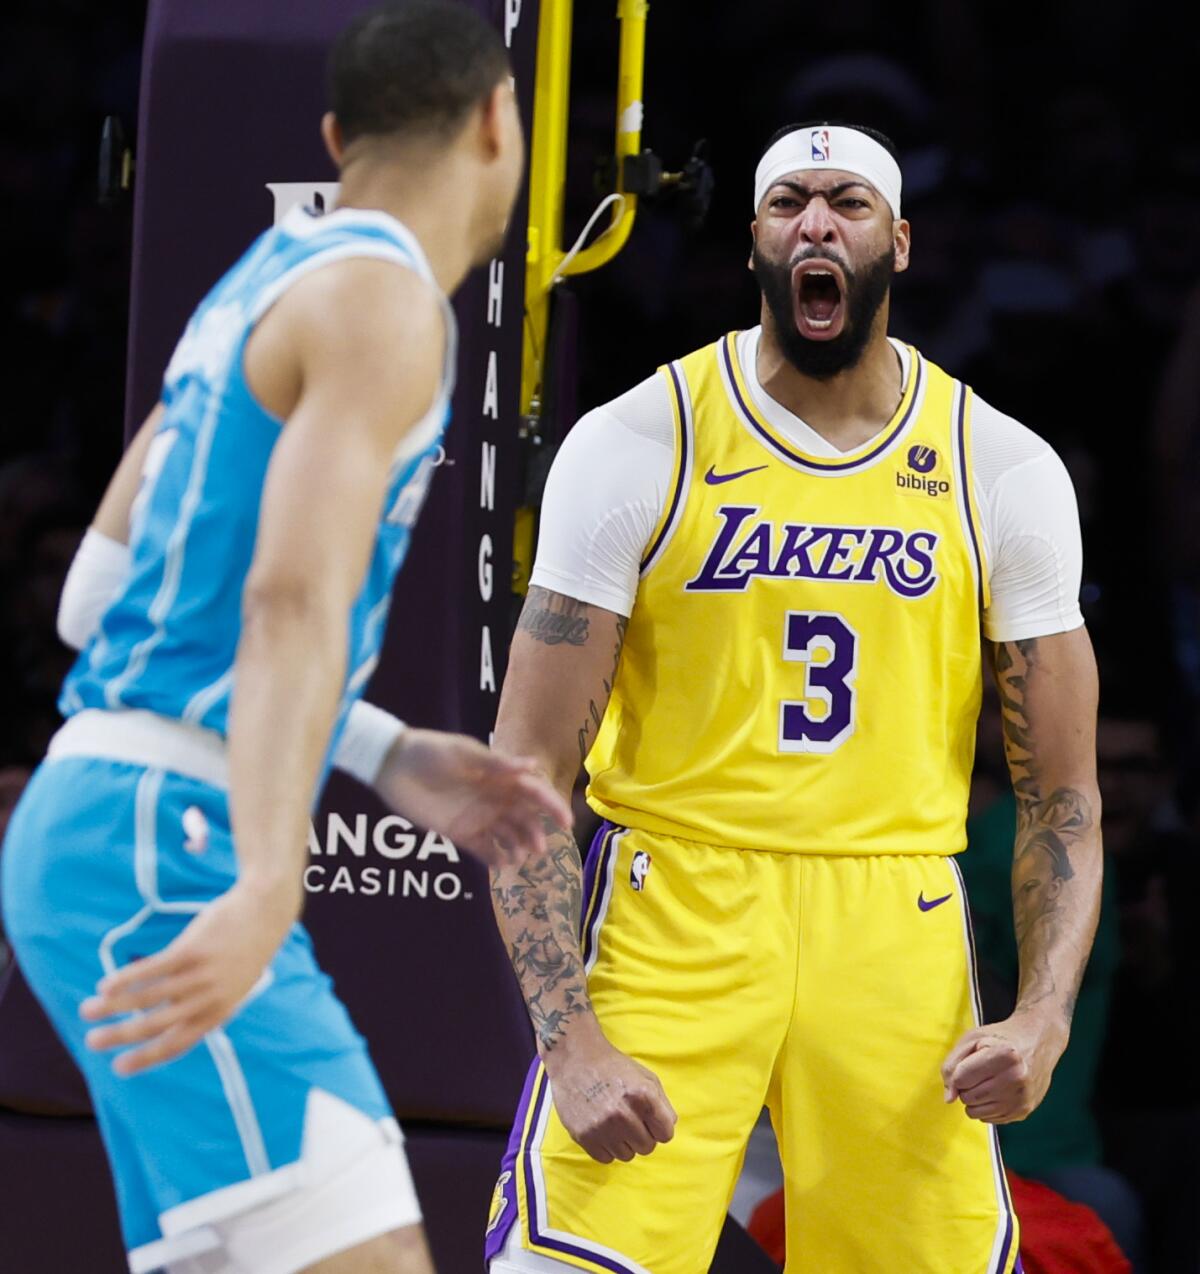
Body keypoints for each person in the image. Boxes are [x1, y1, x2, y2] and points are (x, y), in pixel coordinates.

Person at [0, 5, 571, 1273]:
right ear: (498, 119)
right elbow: (290, 599)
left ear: (332, 138)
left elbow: (95, 598)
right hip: (172, 843)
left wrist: (381, 748)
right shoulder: (386, 299)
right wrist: (269, 878)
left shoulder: (253, 286)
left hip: (95, 822)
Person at [483, 121, 1101, 1273]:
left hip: (895, 909)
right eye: (789, 201)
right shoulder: (638, 440)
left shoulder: (1000, 467)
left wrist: (1043, 1014)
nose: (817, 220)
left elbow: (1062, 794)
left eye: (848, 201)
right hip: (678, 894)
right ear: (756, 241)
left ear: (899, 242)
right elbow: (525, 772)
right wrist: (570, 1041)